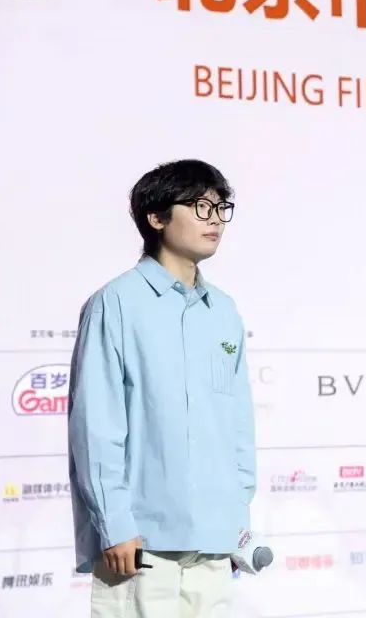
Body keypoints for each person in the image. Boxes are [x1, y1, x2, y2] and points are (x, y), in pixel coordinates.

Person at [67, 159, 256, 617]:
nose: (215, 219)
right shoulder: (115, 303)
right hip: (140, 542)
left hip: (214, 537)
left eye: (221, 208)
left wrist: (237, 519)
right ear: (156, 217)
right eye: (200, 206)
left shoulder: (224, 311)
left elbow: (237, 425)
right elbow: (96, 426)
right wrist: (114, 524)